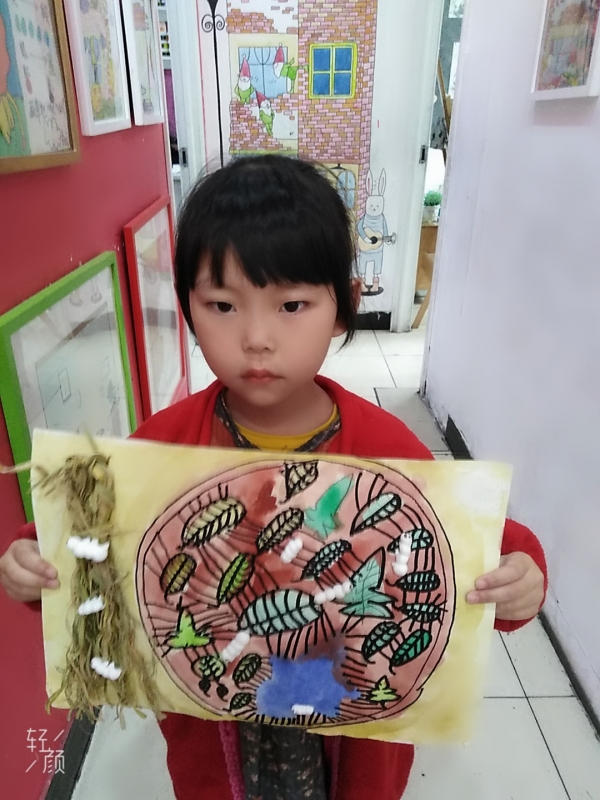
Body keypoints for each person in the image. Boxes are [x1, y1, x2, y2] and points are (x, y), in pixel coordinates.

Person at [0, 155, 546, 800]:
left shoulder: (387, 450)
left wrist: (522, 575)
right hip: (217, 739)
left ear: (343, 307)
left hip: (350, 738)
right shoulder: (161, 447)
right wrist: (33, 563)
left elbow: (478, 549)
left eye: (291, 304)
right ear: (187, 308)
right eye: (222, 305)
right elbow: (82, 543)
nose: (256, 337)